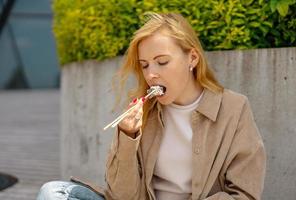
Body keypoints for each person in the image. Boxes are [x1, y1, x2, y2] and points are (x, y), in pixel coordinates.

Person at [37, 12, 266, 200]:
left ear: (192, 58)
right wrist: (127, 136)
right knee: (53, 193)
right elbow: (121, 196)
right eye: (145, 65)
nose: (151, 74)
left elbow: (244, 194)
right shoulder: (143, 111)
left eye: (162, 62)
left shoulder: (233, 108)